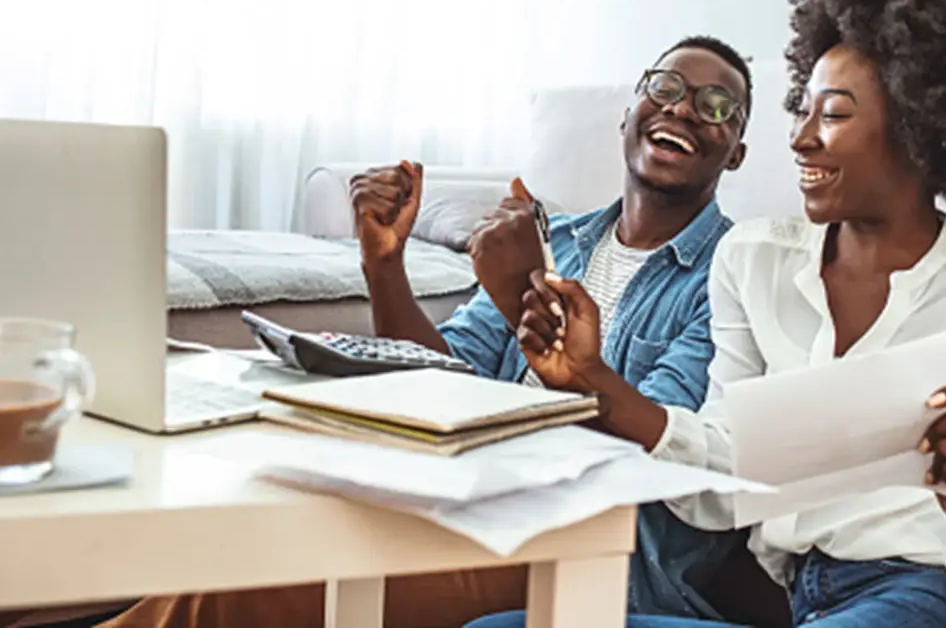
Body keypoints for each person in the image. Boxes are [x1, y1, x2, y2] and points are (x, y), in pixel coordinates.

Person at [471, 0, 946, 628]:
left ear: (920, 129)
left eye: (835, 114)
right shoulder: (754, 260)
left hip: (940, 595)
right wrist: (591, 381)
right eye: (804, 109)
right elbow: (725, 482)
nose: (801, 139)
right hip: (806, 604)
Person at [99, 35, 762, 628]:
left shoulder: (729, 275)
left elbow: (647, 458)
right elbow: (437, 377)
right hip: (464, 502)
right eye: (666, 89)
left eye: (714, 107)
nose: (681, 109)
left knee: (247, 595)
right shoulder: (557, 237)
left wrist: (520, 302)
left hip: (586, 549)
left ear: (735, 153)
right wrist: (384, 265)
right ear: (629, 113)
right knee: (243, 537)